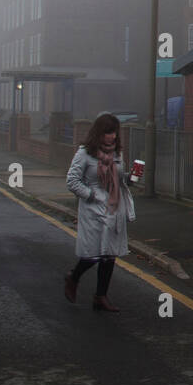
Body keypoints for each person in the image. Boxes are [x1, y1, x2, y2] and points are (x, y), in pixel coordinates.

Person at [63, 113, 135, 312]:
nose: (111, 137)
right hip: (93, 208)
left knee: (109, 255)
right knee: (93, 254)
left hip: (114, 207)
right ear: (98, 132)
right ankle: (73, 277)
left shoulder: (118, 153)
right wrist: (91, 195)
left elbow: (119, 180)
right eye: (107, 133)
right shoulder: (84, 153)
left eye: (114, 133)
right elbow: (72, 181)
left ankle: (100, 296)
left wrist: (131, 178)